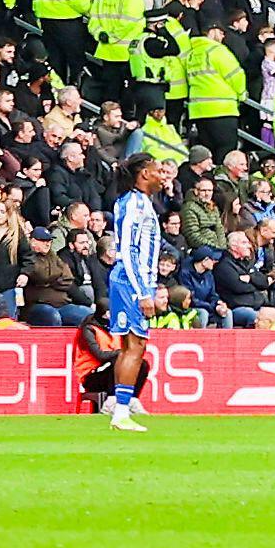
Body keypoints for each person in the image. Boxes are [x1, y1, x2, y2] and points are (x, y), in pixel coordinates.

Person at [95, 138, 176, 429]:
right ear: (143, 173)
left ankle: (119, 407)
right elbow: (127, 249)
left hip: (133, 281)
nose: (161, 174)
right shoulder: (133, 204)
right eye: (157, 169)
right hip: (130, 282)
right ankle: (120, 413)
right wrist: (143, 291)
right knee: (134, 346)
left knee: (134, 346)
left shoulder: (142, 203)